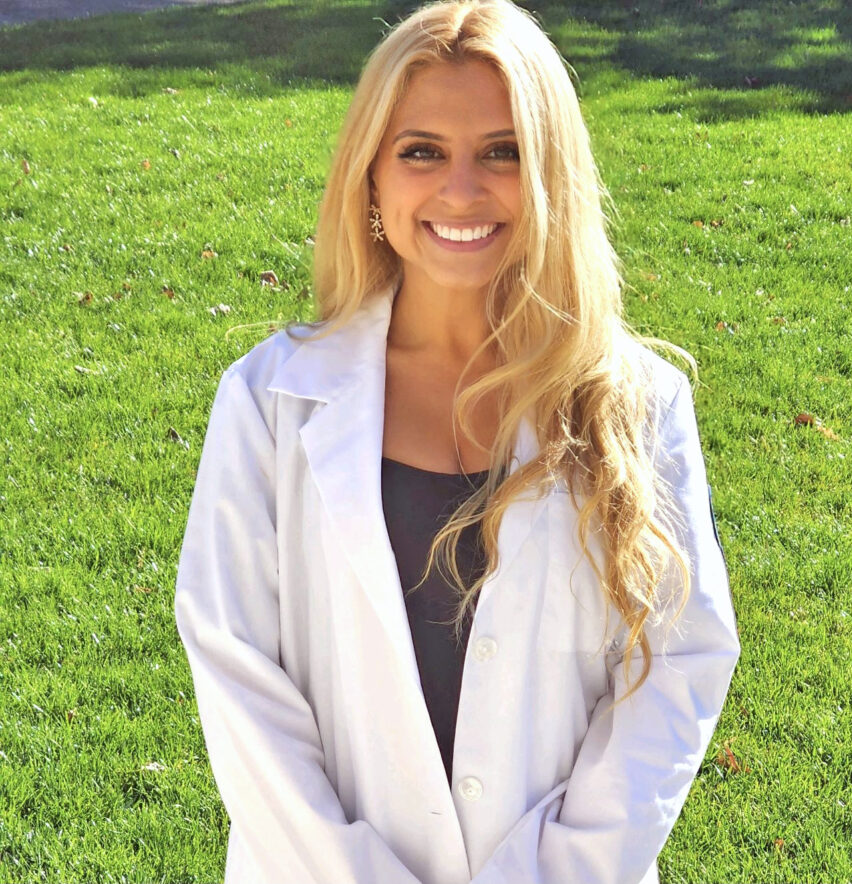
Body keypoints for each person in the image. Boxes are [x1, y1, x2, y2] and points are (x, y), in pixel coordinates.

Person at [173, 1, 740, 882]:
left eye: (503, 152)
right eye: (422, 151)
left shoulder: (636, 404)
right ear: (370, 176)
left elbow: (679, 664)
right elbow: (237, 674)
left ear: (553, 171)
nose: (462, 190)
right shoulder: (269, 403)